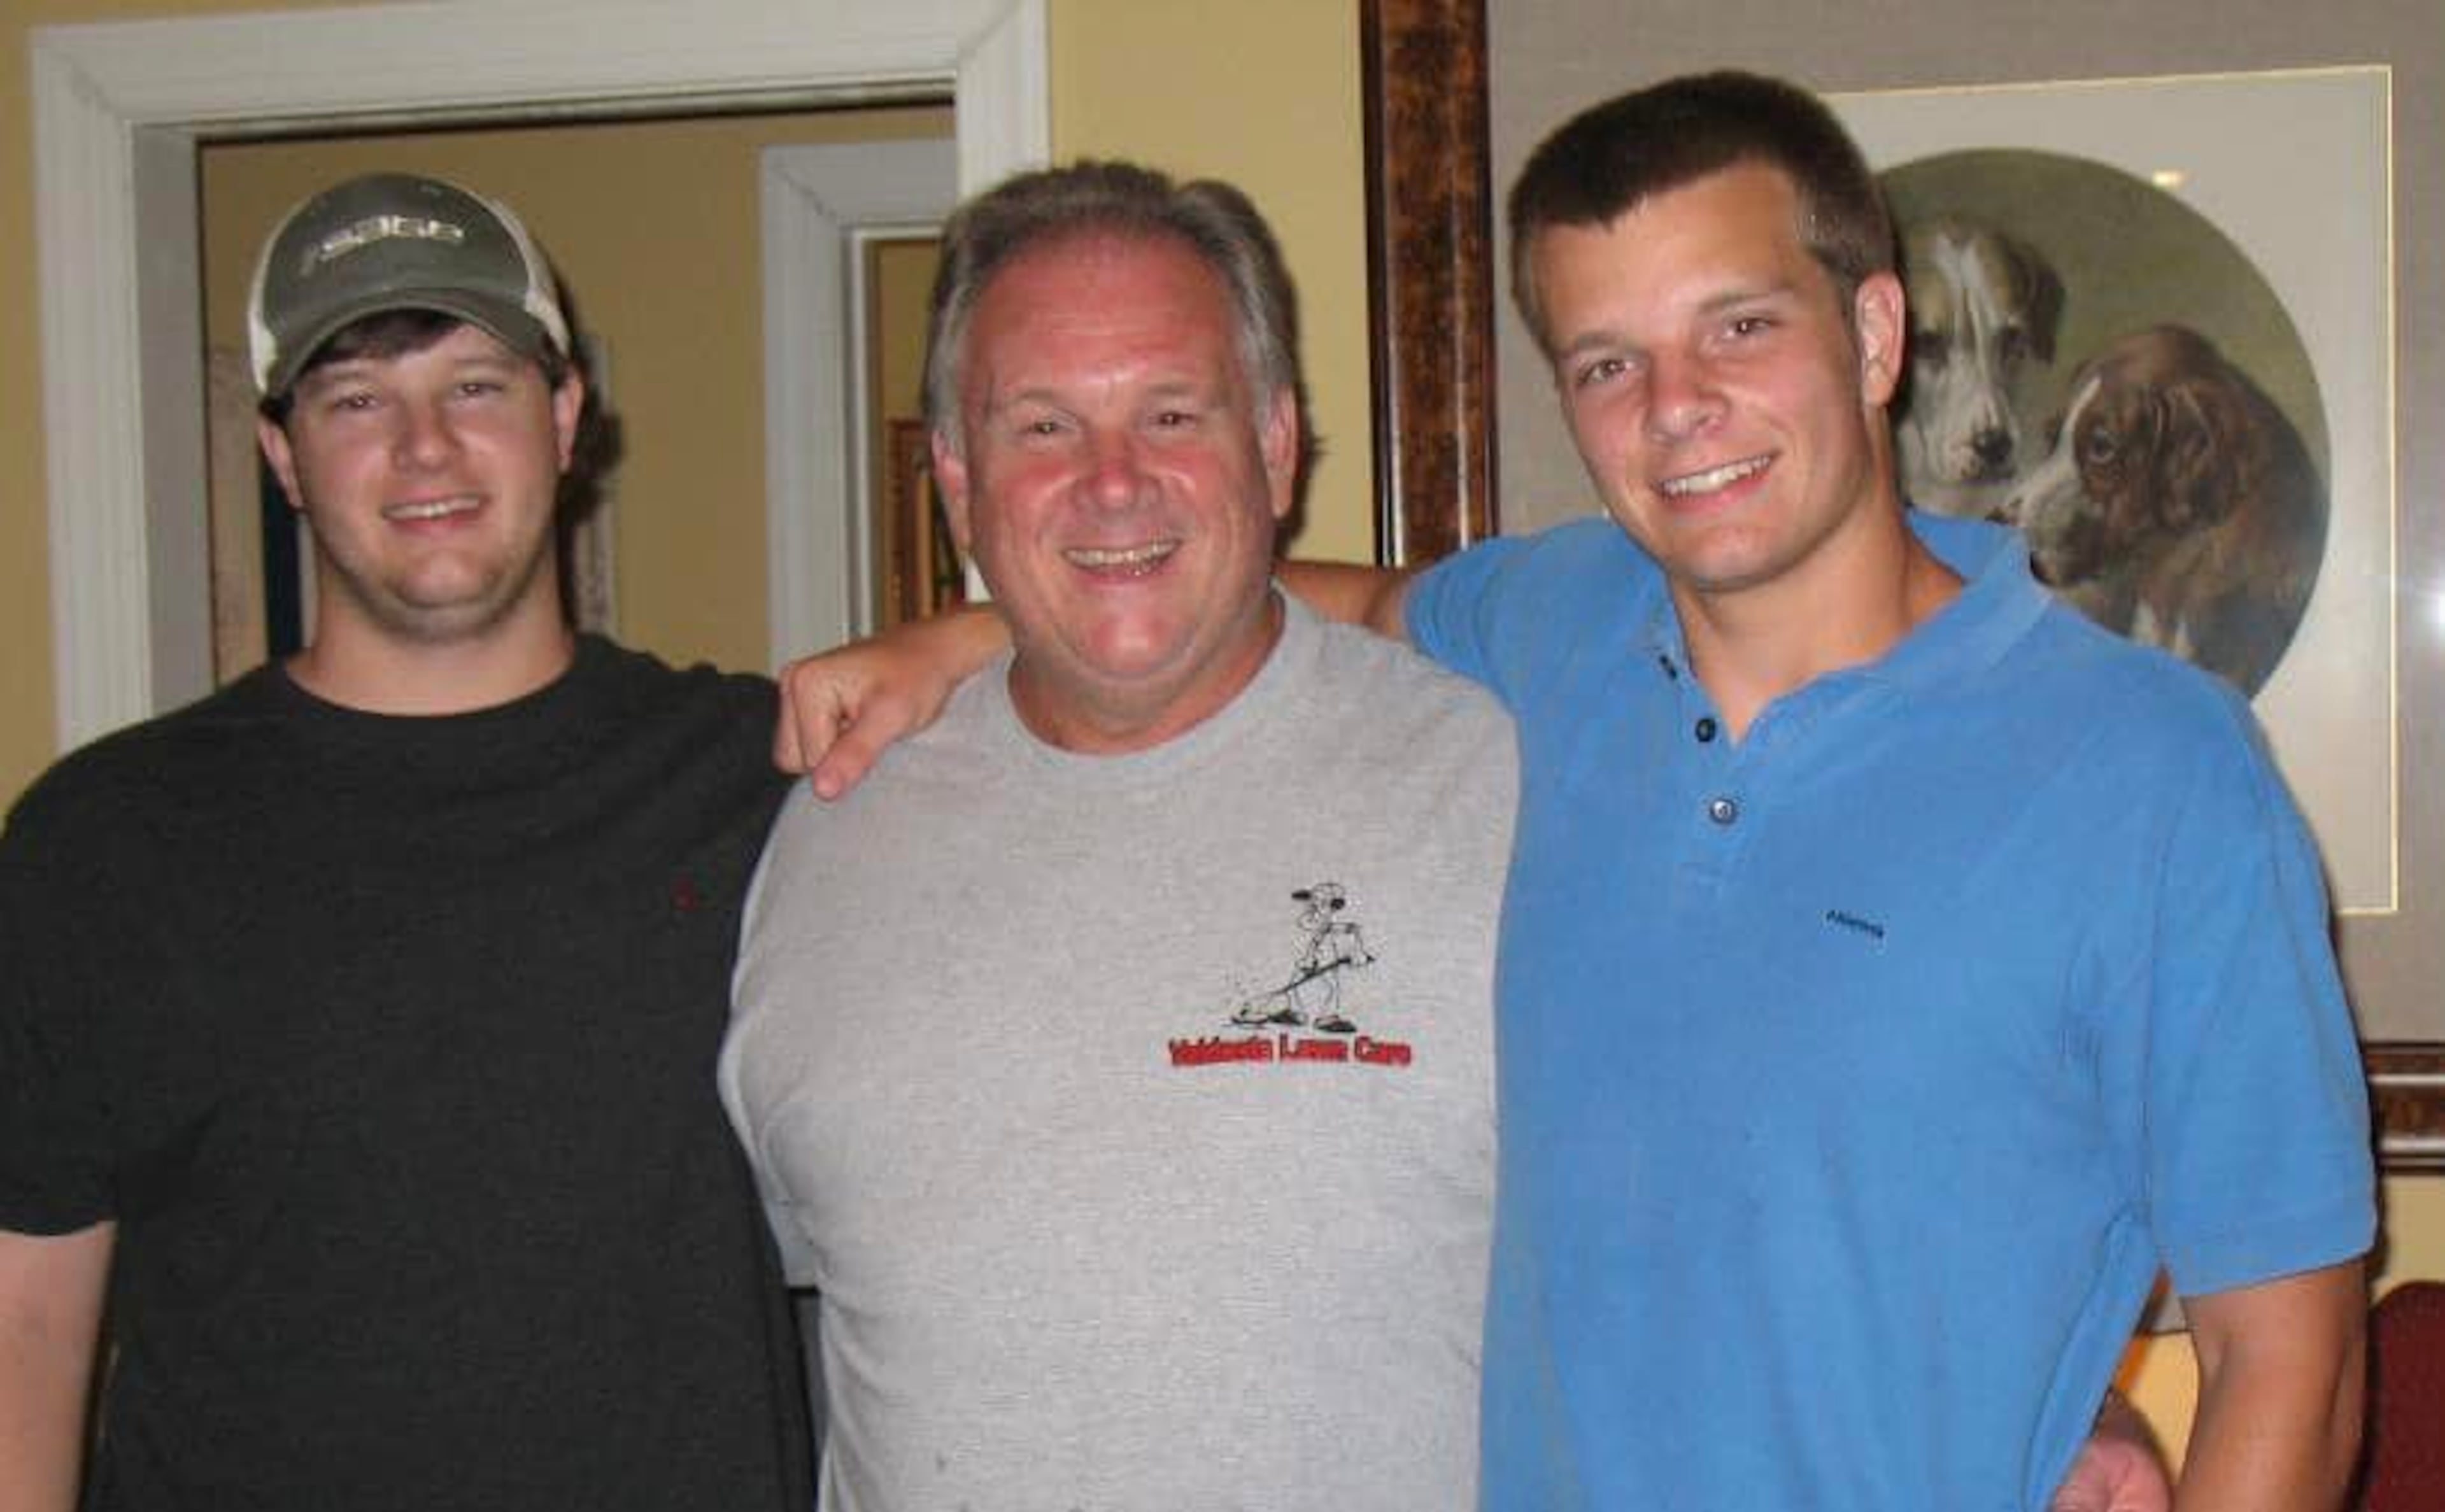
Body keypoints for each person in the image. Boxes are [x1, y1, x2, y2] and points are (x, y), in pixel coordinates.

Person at [776, 72, 2368, 1512]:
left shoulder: (2156, 775)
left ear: (1876, 335)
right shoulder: (1557, 633)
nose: (1677, 409)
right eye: (1611, 362)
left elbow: (2290, 1363)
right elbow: (1300, 591)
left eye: (1739, 327)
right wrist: (977, 629)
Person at [0, 173, 811, 1511]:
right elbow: (25, 1320)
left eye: (476, 384)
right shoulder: (101, 843)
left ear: (564, 418)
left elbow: (1155, 650)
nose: (423, 448)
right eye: (356, 398)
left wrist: (944, 641)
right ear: (281, 453)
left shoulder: (764, 772)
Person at [719, 161, 1514, 1510]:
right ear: (957, 478)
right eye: (1042, 428)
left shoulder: (1497, 779)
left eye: (1170, 412)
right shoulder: (828, 823)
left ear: (1274, 441)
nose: (1111, 484)